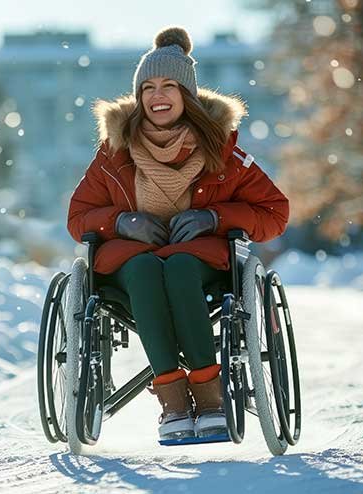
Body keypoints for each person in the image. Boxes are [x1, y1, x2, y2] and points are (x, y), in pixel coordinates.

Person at [66, 26, 290, 442]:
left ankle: (209, 397)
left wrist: (214, 217)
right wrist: (120, 222)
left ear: (187, 93)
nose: (157, 95)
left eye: (169, 85)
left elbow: (275, 213)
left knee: (180, 265)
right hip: (132, 261)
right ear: (138, 96)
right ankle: (172, 401)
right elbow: (78, 217)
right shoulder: (113, 153)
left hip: (200, 260)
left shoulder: (225, 152)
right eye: (147, 87)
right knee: (147, 268)